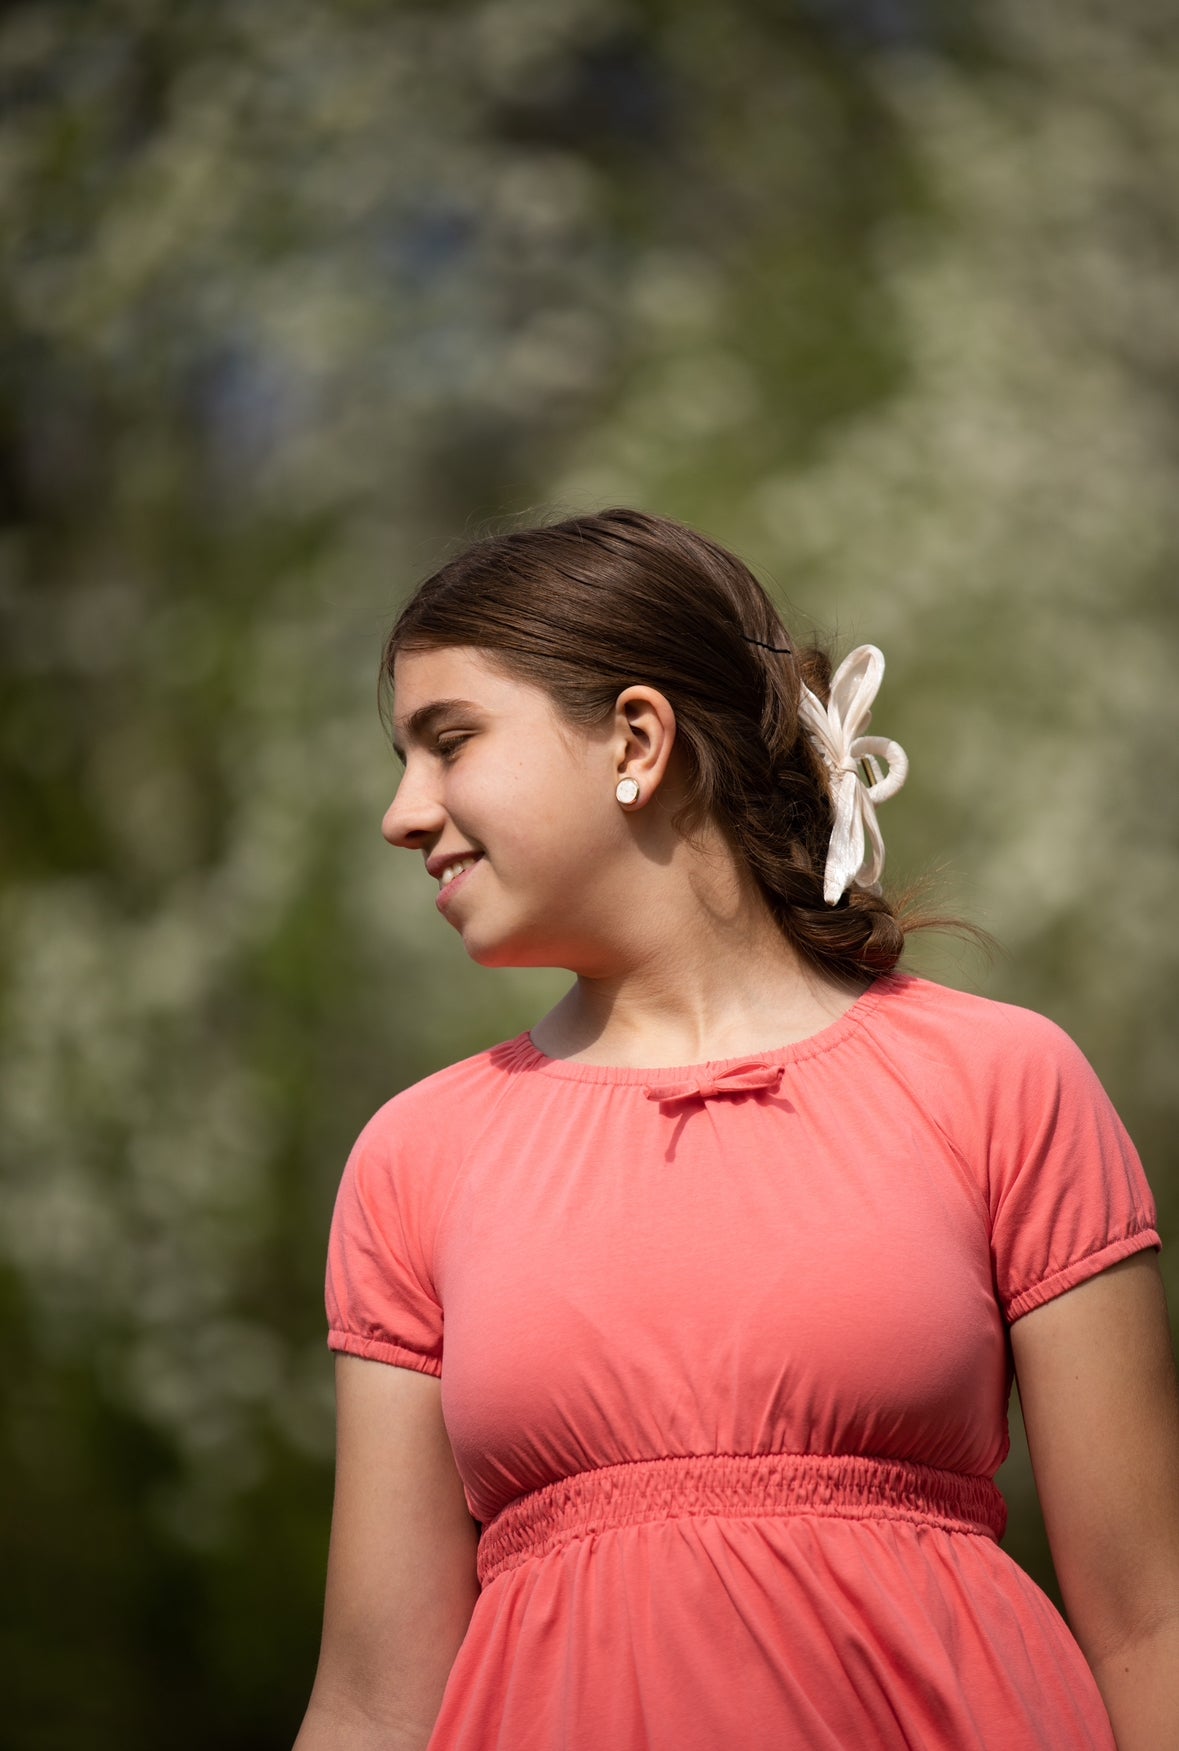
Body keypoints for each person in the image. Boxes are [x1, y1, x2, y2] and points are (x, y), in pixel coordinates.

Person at [293, 508, 1179, 1751]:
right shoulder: (414, 1156)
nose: (402, 811)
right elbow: (377, 1699)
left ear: (637, 741)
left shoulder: (1003, 1080)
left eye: (450, 742)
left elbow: (1150, 1617)